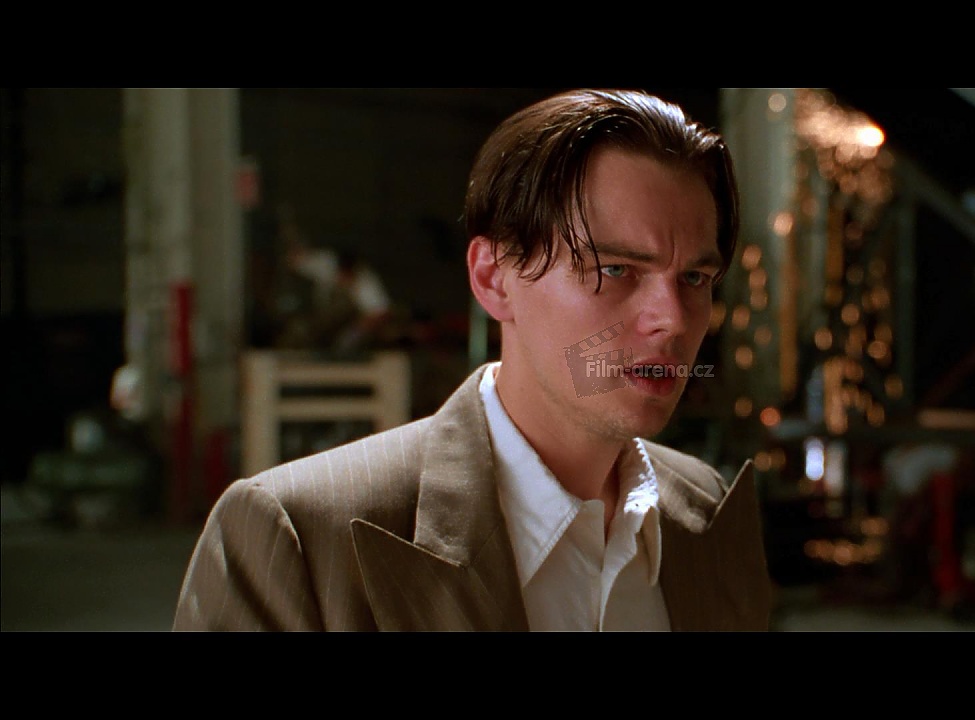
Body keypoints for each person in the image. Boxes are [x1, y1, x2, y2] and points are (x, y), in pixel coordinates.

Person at [173, 88, 774, 631]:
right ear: (493, 278)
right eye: (616, 269)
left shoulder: (708, 508)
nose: (673, 319)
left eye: (694, 278)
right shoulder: (300, 537)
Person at [278, 206, 394, 352]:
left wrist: (353, 335)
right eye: (342, 276)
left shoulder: (366, 282)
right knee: (299, 330)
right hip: (319, 315)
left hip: (347, 324)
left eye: (348, 278)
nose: (343, 281)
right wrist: (292, 238)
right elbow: (294, 258)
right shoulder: (325, 263)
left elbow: (380, 313)